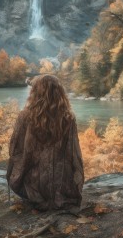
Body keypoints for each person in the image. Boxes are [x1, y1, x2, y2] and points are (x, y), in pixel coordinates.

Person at [6, 74, 84, 211]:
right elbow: (74, 154)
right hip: (63, 186)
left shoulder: (25, 116)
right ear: (60, 93)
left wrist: (15, 172)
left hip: (34, 187)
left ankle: (39, 195)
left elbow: (15, 150)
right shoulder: (68, 118)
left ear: (35, 92)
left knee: (21, 175)